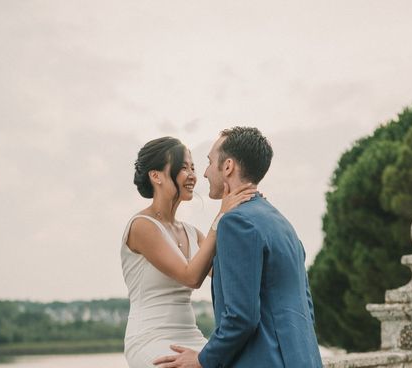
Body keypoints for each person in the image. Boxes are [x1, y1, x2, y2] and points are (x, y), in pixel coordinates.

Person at [154, 127, 323, 368]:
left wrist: (203, 359)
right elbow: (306, 307)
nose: (203, 173)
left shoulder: (236, 222)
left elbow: (241, 317)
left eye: (210, 162)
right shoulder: (281, 222)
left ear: (228, 167)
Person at [121, 136, 256, 368]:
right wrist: (221, 217)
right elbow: (191, 277)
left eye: (193, 167)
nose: (193, 175)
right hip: (149, 338)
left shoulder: (192, 233)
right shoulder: (142, 226)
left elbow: (226, 271)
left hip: (191, 337)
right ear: (156, 176)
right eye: (183, 167)